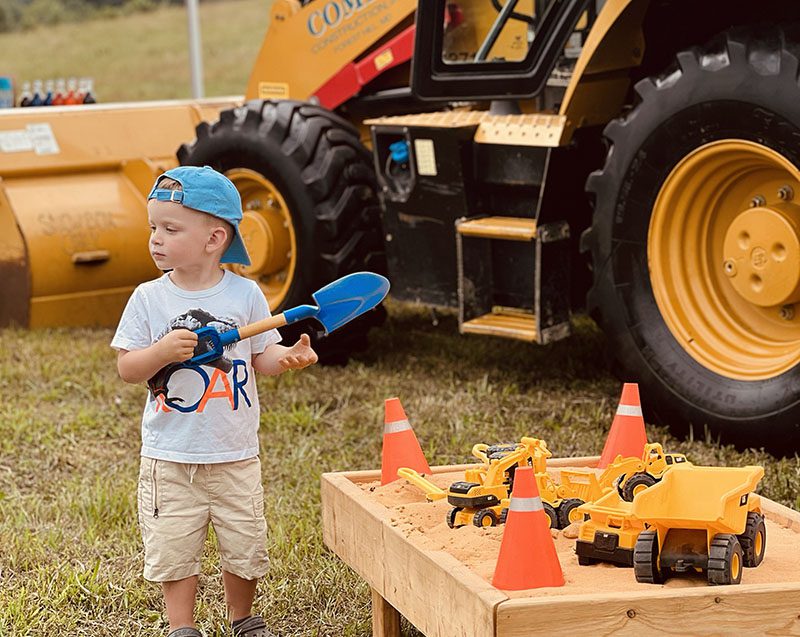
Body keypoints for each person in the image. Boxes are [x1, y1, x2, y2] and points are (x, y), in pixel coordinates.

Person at [111, 165, 317, 637]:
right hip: (171, 456)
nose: (156, 240)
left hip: (234, 453)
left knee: (245, 545)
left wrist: (288, 357)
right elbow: (127, 368)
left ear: (213, 238)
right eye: (153, 228)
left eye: (170, 228)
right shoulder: (148, 299)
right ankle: (181, 626)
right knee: (175, 545)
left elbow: (262, 355)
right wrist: (162, 352)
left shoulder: (246, 294)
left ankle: (242, 618)